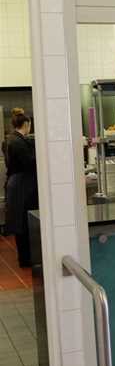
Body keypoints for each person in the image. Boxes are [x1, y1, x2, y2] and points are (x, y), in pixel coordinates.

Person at [5, 109, 37, 268]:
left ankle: (26, 257)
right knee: (24, 222)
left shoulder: (12, 139)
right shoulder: (17, 142)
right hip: (21, 186)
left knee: (21, 222)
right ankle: (26, 259)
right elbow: (29, 163)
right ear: (26, 124)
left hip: (17, 184)